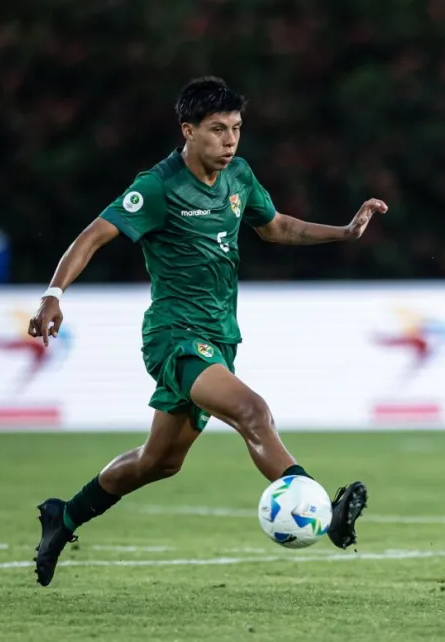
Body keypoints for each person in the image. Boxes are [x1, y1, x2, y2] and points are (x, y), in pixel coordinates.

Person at [27, 76, 385, 587]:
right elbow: (94, 235)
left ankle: (64, 516)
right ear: (188, 131)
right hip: (174, 334)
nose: (230, 140)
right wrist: (54, 294)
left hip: (219, 336)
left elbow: (275, 225)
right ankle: (317, 508)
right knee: (252, 411)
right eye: (218, 130)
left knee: (159, 462)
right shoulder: (158, 186)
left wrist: (344, 232)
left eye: (236, 129)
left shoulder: (238, 176)